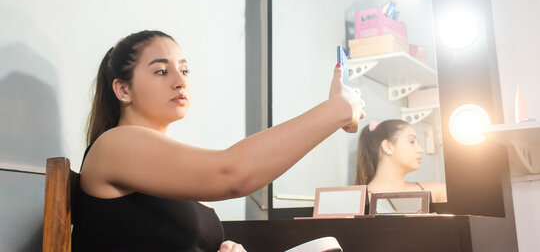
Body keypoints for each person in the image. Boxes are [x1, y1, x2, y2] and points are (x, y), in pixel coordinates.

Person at [71, 30, 365, 252]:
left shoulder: (165, 172)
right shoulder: (114, 146)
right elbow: (232, 173)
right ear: (123, 89)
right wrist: (338, 109)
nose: (180, 80)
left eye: (184, 70)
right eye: (162, 71)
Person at [355, 119, 447, 203]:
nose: (420, 150)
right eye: (412, 141)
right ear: (388, 146)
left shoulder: (437, 192)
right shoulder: (360, 201)